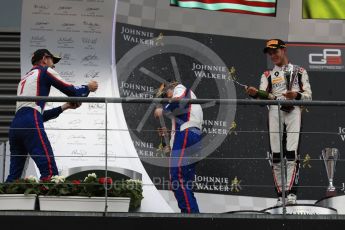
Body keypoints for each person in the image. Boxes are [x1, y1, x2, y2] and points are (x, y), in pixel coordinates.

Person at [6, 49, 98, 182]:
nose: (53, 65)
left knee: (14, 175)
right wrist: (87, 87)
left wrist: (64, 107)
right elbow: (71, 91)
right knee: (49, 171)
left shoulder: (24, 79)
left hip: (15, 126)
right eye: (52, 61)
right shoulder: (44, 71)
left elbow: (37, 115)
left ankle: (5, 201)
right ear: (44, 59)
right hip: (30, 121)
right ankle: (48, 202)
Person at [245, 39, 312, 206]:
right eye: (270, 52)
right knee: (276, 155)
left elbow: (309, 97)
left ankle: (291, 194)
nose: (272, 55)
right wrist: (254, 94)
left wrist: (295, 96)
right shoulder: (267, 75)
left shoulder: (300, 71)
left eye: (275, 51)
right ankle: (280, 194)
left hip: (294, 111)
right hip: (274, 112)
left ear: (284, 50)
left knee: (291, 153)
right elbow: (263, 100)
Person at [154, 81, 203, 213]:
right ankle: (193, 215)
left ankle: (189, 216)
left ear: (172, 87)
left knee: (177, 178)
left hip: (187, 134)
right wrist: (166, 138)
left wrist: (163, 109)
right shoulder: (179, 114)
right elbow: (170, 146)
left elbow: (180, 100)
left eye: (166, 94)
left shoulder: (180, 88)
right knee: (183, 182)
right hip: (189, 135)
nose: (166, 97)